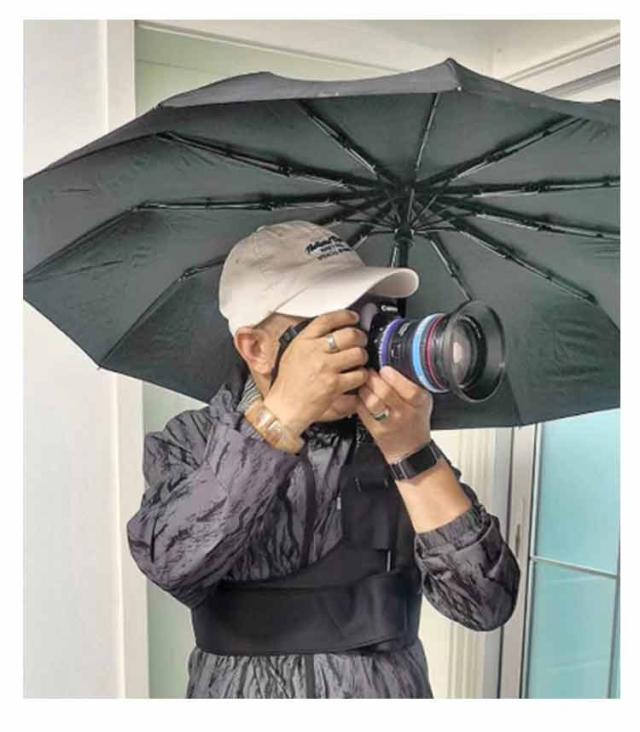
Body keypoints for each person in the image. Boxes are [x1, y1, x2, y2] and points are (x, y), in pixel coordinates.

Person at [126, 220, 520, 698]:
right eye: (333, 326)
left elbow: (486, 604)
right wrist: (280, 419)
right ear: (256, 348)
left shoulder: (391, 431)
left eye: (365, 316)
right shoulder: (190, 440)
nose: (359, 343)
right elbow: (171, 564)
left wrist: (411, 452)